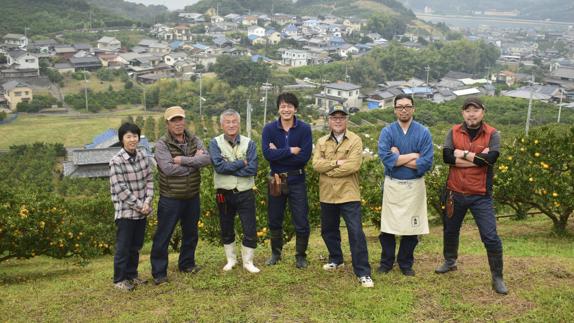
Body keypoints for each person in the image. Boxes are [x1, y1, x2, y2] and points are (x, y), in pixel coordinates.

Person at [436, 97, 508, 295]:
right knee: (450, 230)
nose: (471, 114)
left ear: (482, 112)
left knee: (490, 236)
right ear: (463, 113)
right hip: (455, 191)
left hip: (480, 194)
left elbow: (491, 159)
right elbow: (447, 157)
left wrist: (463, 154)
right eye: (467, 110)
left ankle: (497, 276)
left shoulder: (493, 134)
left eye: (475, 110)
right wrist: (477, 159)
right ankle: (450, 261)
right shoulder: (453, 131)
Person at [312, 106, 374, 288]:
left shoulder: (355, 140)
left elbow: (353, 166)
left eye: (341, 117)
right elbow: (316, 164)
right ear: (329, 121)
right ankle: (336, 259)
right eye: (334, 117)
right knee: (328, 230)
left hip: (349, 193)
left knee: (355, 232)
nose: (338, 121)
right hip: (327, 193)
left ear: (346, 120)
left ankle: (363, 272)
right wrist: (337, 162)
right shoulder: (322, 141)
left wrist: (329, 170)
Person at [150, 106, 211, 285]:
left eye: (180, 119)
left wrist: (182, 160)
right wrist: (194, 163)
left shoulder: (194, 139)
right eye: (173, 120)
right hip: (171, 197)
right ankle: (159, 273)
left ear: (184, 120)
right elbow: (167, 169)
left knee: (191, 232)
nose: (178, 123)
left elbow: (207, 159)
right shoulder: (162, 144)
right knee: (164, 235)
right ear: (167, 123)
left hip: (192, 195)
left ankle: (187, 264)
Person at [377, 94, 434, 276]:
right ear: (394, 109)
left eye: (407, 106)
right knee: (388, 227)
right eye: (400, 106)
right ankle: (386, 262)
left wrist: (399, 157)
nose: (403, 109)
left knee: (412, 227)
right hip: (393, 185)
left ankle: (405, 263)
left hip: (414, 186)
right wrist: (413, 156)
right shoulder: (387, 132)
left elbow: (426, 162)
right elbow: (386, 159)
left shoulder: (423, 132)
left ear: (413, 109)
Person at [262, 92, 312, 268]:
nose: (286, 109)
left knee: (301, 219)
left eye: (289, 106)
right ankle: (276, 253)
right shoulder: (269, 129)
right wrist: (291, 150)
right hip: (276, 179)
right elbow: (268, 155)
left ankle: (300, 256)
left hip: (297, 178)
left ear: (295, 108)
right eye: (283, 106)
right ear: (278, 109)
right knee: (274, 218)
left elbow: (304, 157)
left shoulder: (304, 129)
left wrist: (278, 153)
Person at [209, 109, 260, 273]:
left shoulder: (249, 143)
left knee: (249, 226)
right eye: (227, 122)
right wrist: (241, 163)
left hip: (245, 192)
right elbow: (219, 166)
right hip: (224, 192)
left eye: (234, 122)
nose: (231, 125)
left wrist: (229, 166)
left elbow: (252, 169)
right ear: (222, 125)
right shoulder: (215, 143)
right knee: (226, 225)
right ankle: (231, 259)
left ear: (239, 124)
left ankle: (248, 261)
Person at [109, 122, 154, 291]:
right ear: (122, 139)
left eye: (135, 136)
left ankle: (132, 275)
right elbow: (120, 188)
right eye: (128, 136)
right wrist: (139, 205)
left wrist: (147, 201)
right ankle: (119, 279)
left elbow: (149, 180)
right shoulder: (116, 161)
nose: (132, 139)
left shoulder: (143, 155)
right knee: (123, 247)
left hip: (143, 209)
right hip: (126, 212)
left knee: (136, 246)